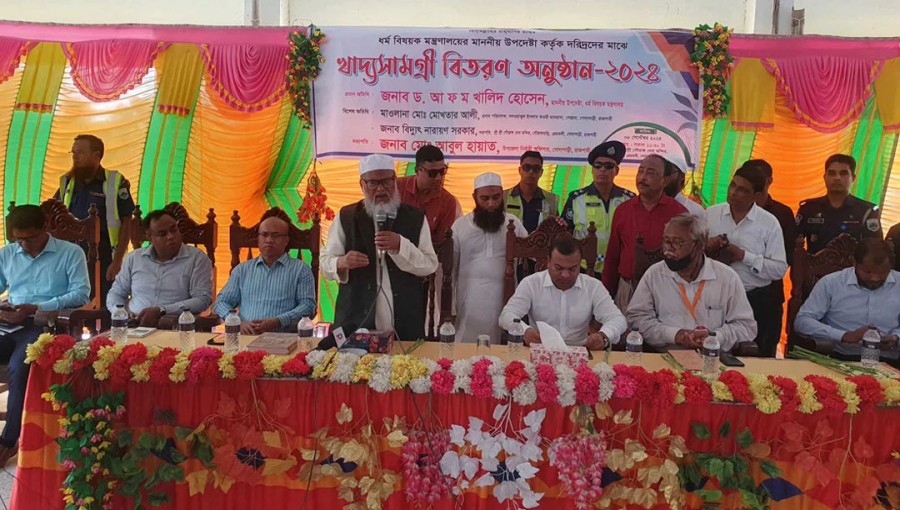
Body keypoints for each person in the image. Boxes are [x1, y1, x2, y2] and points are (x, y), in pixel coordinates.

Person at [0, 205, 90, 464]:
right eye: (19, 239)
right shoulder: (7, 254)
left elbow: (81, 293)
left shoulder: (70, 253)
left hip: (46, 323)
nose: (25, 245)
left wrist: (38, 307)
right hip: (9, 322)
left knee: (20, 365)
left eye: (31, 238)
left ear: (45, 228)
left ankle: (9, 439)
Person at [321, 154, 439, 340]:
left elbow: (430, 265)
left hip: (404, 319)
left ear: (395, 181)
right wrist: (342, 262)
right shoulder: (347, 216)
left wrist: (401, 246)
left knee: (407, 368)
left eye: (387, 182)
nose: (381, 189)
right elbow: (325, 263)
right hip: (355, 319)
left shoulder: (415, 217)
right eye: (373, 183)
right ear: (362, 184)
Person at [626, 214, 757, 352]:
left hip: (713, 357)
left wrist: (714, 337)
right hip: (665, 355)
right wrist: (674, 335)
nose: (668, 249)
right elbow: (636, 318)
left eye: (677, 242)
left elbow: (746, 326)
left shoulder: (727, 277)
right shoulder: (655, 274)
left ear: (699, 245)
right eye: (666, 241)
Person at [705, 164, 787, 357]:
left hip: (754, 299)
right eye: (732, 185)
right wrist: (707, 246)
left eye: (742, 190)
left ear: (757, 196)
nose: (733, 192)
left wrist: (743, 256)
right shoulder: (711, 214)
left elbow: (778, 269)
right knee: (711, 351)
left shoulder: (769, 223)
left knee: (753, 358)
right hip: (714, 298)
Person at [499, 235, 627, 349]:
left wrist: (604, 336)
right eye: (559, 268)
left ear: (579, 264)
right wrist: (524, 331)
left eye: (572, 269)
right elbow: (507, 315)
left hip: (581, 352)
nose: (565, 275)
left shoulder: (593, 286)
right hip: (541, 351)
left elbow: (617, 319)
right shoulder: (531, 283)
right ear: (548, 262)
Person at [53, 134, 135, 306]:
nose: (75, 156)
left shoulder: (114, 181)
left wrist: (118, 261)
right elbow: (53, 212)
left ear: (97, 155)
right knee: (74, 301)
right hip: (71, 254)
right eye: (73, 152)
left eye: (80, 152)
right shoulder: (67, 181)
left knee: (105, 304)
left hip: (104, 255)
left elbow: (127, 221)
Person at [602, 154, 688, 310]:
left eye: (651, 173)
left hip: (665, 290)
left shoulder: (679, 213)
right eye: (640, 171)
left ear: (665, 180)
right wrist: (606, 296)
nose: (642, 177)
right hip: (627, 288)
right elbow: (613, 257)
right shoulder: (623, 210)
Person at [794, 239, 899, 362]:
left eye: (882, 273)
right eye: (868, 272)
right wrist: (844, 336)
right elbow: (802, 322)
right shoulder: (832, 283)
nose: (875, 278)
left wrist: (896, 338)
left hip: (889, 361)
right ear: (854, 263)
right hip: (841, 358)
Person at [453, 173, 527, 342]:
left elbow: (533, 252)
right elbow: (450, 267)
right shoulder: (460, 226)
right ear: (474, 197)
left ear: (502, 195)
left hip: (505, 297)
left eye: (496, 197)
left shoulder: (513, 222)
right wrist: (449, 306)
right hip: (469, 298)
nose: (491, 204)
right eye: (484, 198)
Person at [107, 209, 213, 327]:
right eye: (162, 234)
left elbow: (202, 300)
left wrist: (162, 310)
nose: (171, 236)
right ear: (150, 237)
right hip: (133, 326)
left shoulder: (197, 259)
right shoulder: (134, 258)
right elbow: (116, 293)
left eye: (174, 230)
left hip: (174, 328)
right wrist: (121, 314)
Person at [213, 214, 316, 334]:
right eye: (264, 235)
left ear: (286, 240)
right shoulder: (242, 270)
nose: (269, 240)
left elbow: (308, 306)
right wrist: (236, 321)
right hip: (246, 336)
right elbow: (221, 302)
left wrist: (278, 321)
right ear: (258, 239)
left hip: (282, 337)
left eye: (275, 235)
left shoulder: (300, 269)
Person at [746, 158, 797, 354]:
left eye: (759, 180)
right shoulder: (725, 211)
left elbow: (788, 257)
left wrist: (750, 259)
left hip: (769, 294)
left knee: (764, 350)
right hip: (733, 292)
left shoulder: (782, 214)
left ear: (769, 181)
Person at [561, 141, 635, 273]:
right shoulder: (576, 198)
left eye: (608, 166)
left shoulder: (629, 199)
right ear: (592, 169)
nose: (602, 169)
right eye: (598, 165)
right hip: (584, 269)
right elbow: (565, 233)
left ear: (616, 170)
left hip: (619, 269)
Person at [796, 154, 882, 254]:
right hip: (814, 268)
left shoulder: (866, 211)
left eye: (843, 173)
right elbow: (793, 245)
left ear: (853, 178)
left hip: (852, 268)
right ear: (824, 177)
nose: (837, 178)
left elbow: (875, 250)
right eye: (832, 173)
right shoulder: (808, 209)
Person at [397, 145, 462, 242]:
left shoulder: (447, 201)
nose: (438, 178)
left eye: (442, 171)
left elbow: (441, 243)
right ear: (417, 171)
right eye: (432, 173)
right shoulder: (396, 187)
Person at [503, 150, 560, 233]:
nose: (531, 172)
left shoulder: (551, 199)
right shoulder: (503, 197)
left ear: (541, 172)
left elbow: (555, 229)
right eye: (527, 167)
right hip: (511, 244)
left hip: (541, 245)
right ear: (520, 170)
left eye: (536, 168)